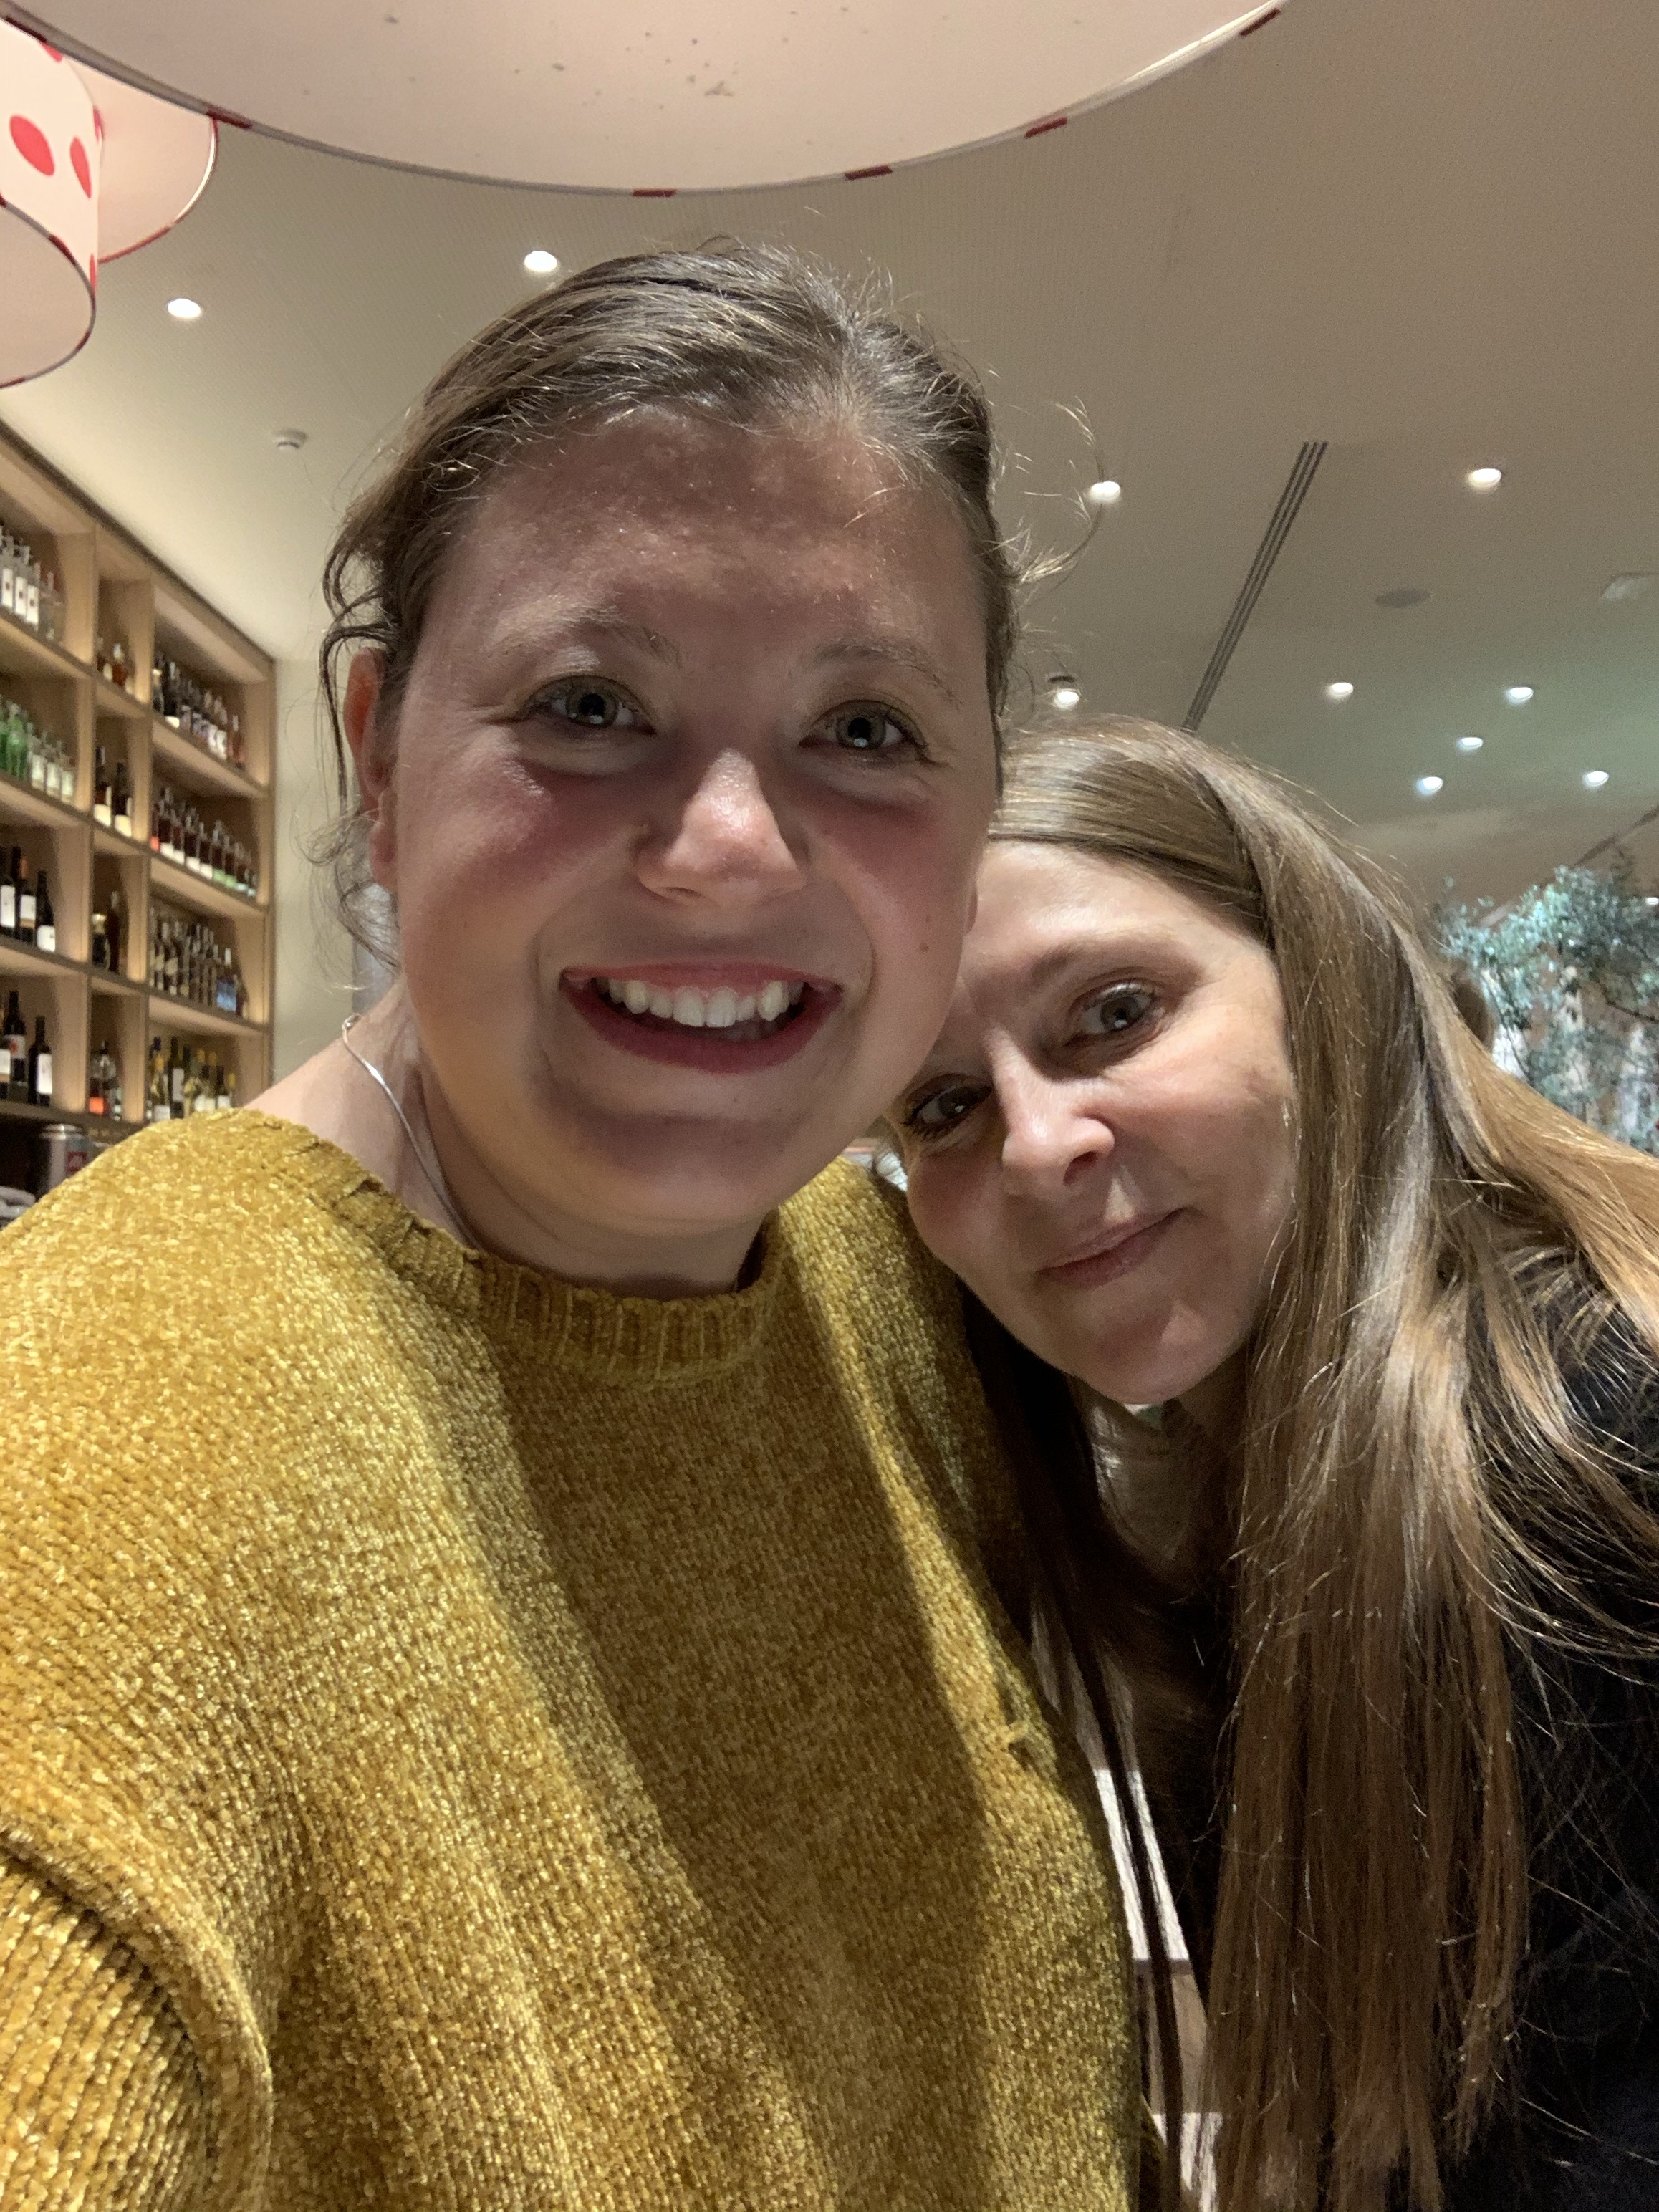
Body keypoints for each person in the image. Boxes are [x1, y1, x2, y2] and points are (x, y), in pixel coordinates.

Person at [0, 251, 1148, 2210]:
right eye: (590, 705)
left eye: (867, 728)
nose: (729, 848)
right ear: (377, 754)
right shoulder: (112, 1421)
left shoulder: (886, 1278)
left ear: (977, 812)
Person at [891, 714, 1659, 2212]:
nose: (1035, 1145)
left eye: (1114, 1014)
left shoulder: (1597, 1430)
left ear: (1319, 981)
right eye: (943, 1104)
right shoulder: (1210, 1504)